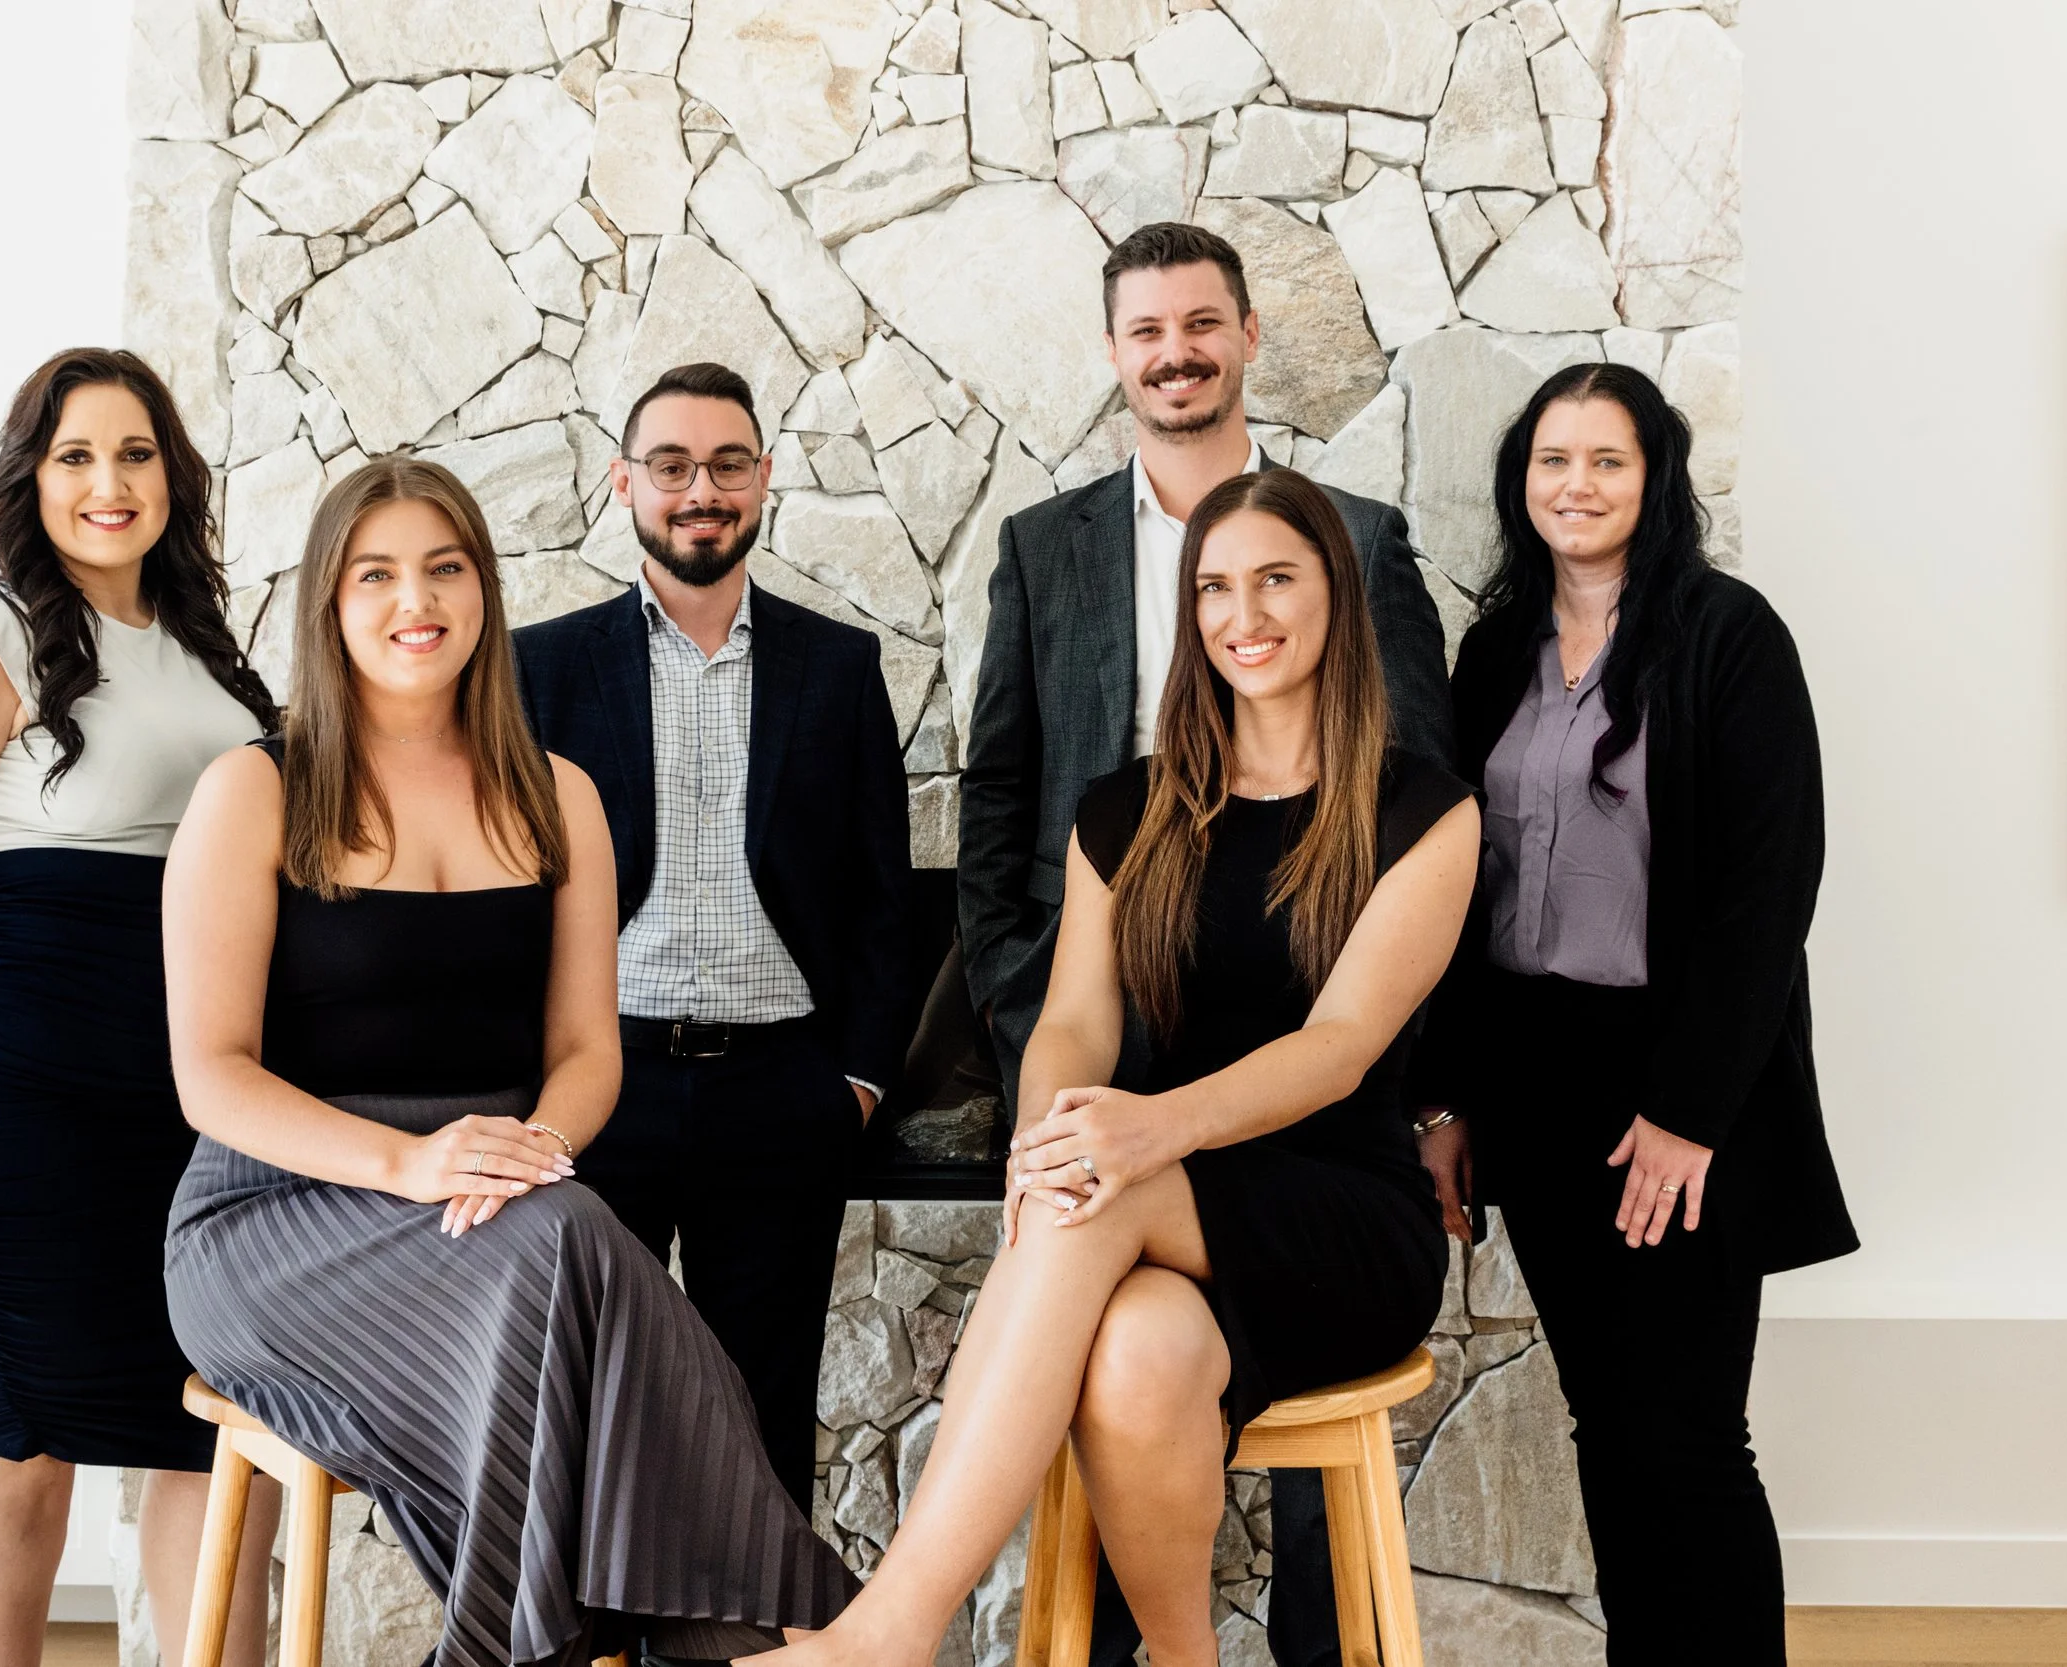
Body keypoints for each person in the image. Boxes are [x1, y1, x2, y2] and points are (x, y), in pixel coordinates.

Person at [751, 469, 1477, 1667]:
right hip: (1163, 1199)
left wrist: (1143, 1134)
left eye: (1275, 579)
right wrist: (1048, 1139)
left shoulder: (1422, 810)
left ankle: (890, 1624)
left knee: (1110, 1172)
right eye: (1214, 588)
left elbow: (1339, 1047)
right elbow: (1076, 1025)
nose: (1244, 613)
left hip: (1342, 1212)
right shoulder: (1126, 808)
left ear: (1336, 597)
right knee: (1137, 1347)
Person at [160, 456, 853, 1666]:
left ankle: (579, 1638)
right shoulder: (254, 789)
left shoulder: (558, 795)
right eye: (373, 574)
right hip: (277, 1211)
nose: (411, 599)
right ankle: (756, 1630)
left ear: (483, 590)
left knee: (567, 1238)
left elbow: (586, 1051)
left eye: (443, 567)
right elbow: (210, 1073)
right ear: (329, 601)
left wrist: (530, 1151)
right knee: (582, 1244)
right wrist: (410, 1160)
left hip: (496, 1194)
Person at [954, 220, 1454, 1666]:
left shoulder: (1354, 536)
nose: (1173, 350)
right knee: (1137, 1349)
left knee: (1237, 1374)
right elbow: (1002, 795)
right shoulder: (1046, 548)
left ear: (1241, 337)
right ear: (1115, 355)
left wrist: (1426, 1091)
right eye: (1144, 328)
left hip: (1309, 1058)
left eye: (1199, 322)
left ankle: (1303, 1654)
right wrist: (1036, 1056)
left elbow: (1414, 808)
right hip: (1113, 1016)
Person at [0, 348, 282, 1667]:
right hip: (3, 1106)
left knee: (207, 1432)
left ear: (172, 477)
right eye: (75, 454)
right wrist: (18, 976)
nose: (108, 481)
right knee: (13, 1443)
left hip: (175, 1106)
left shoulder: (200, 645)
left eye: (135, 452)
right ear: (31, 478)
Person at [1408, 364, 1857, 1665]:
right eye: (1554, 459)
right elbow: (1456, 891)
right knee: (1607, 1420)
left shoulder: (1730, 635)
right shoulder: (1494, 649)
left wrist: (1687, 1111)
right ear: (1522, 482)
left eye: (1607, 459)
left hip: (1678, 1092)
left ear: (1653, 477)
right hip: (1535, 1092)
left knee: (1691, 1433)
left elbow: (1768, 894)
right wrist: (1444, 1096)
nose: (1578, 485)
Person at [515, 362, 918, 1517]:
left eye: (728, 464)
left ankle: (752, 1643)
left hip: (782, 1092)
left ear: (764, 480)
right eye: (673, 465)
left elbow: (877, 893)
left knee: (759, 1409)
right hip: (602, 1085)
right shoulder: (543, 667)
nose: (703, 488)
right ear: (625, 482)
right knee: (599, 1401)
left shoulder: (836, 669)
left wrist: (856, 1078)